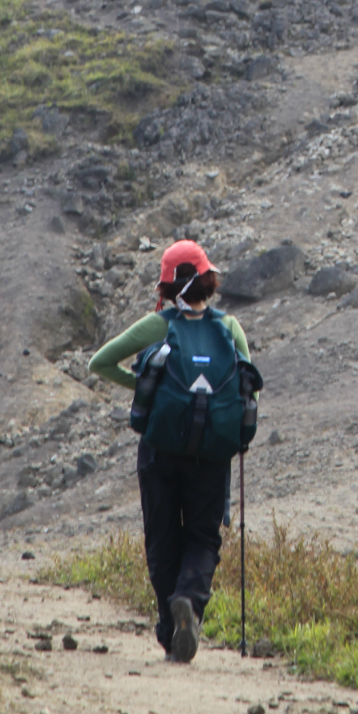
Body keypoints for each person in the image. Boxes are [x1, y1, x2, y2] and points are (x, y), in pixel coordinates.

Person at [89, 240, 253, 664]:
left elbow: (101, 364)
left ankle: (170, 631)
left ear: (167, 285)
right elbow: (244, 387)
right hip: (212, 455)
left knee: (162, 537)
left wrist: (153, 389)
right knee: (203, 536)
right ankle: (190, 601)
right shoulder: (230, 328)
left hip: (160, 451)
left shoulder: (157, 326)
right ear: (207, 281)